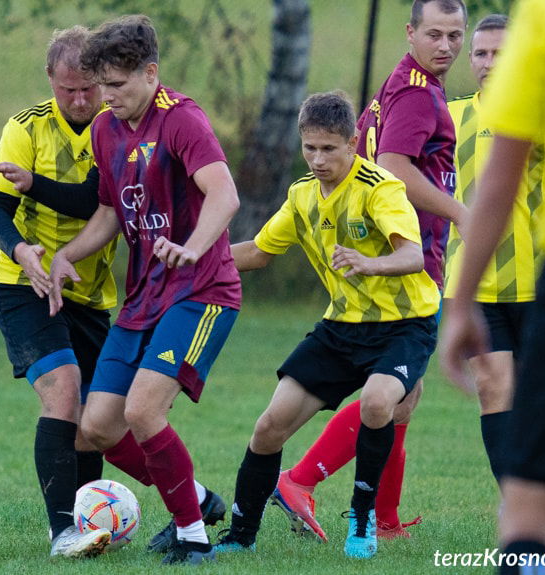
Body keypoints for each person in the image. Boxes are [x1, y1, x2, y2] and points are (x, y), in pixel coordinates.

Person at [46, 14, 242, 566]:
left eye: (117, 85)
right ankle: (198, 499)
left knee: (144, 410)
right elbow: (110, 209)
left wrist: (193, 247)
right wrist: (68, 254)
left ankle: (193, 535)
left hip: (202, 291)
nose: (105, 97)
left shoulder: (183, 121)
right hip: (144, 298)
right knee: (98, 426)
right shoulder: (108, 128)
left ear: (151, 73)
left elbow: (224, 196)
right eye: (101, 85)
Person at [270, 0, 467, 542]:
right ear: (410, 33)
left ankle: (383, 519)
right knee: (391, 396)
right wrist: (460, 213)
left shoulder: (397, 85)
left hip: (390, 253)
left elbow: (368, 161)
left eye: (455, 35)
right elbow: (395, 170)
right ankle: (299, 481)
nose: (446, 45)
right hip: (406, 257)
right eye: (435, 33)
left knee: (405, 396)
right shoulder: (417, 95)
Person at [212, 90, 440, 560]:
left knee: (378, 403)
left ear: (353, 142)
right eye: (309, 147)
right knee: (269, 426)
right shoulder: (301, 196)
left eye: (329, 149)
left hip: (404, 324)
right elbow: (257, 252)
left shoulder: (380, 188)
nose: (317, 159)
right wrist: (193, 261)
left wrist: (368, 263)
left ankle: (362, 521)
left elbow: (413, 255)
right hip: (340, 329)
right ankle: (240, 537)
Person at [441, 0, 545, 573]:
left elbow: (500, 177)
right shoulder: (450, 112)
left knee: (531, 510)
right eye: (480, 52)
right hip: (540, 282)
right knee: (502, 396)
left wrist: (459, 299)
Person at [0, 26, 118, 559]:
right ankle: (64, 532)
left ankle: (112, 517)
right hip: (23, 285)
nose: (79, 100)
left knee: (100, 417)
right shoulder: (26, 128)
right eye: (68, 90)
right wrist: (22, 251)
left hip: (88, 290)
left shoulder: (115, 125)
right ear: (50, 82)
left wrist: (34, 185)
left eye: (88, 88)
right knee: (64, 388)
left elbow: (93, 202)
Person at [444, 13, 544, 485]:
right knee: (491, 388)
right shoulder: (449, 117)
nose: (489, 63)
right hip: (477, 279)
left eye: (501, 53)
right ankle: (515, 502)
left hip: (543, 278)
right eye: (481, 53)